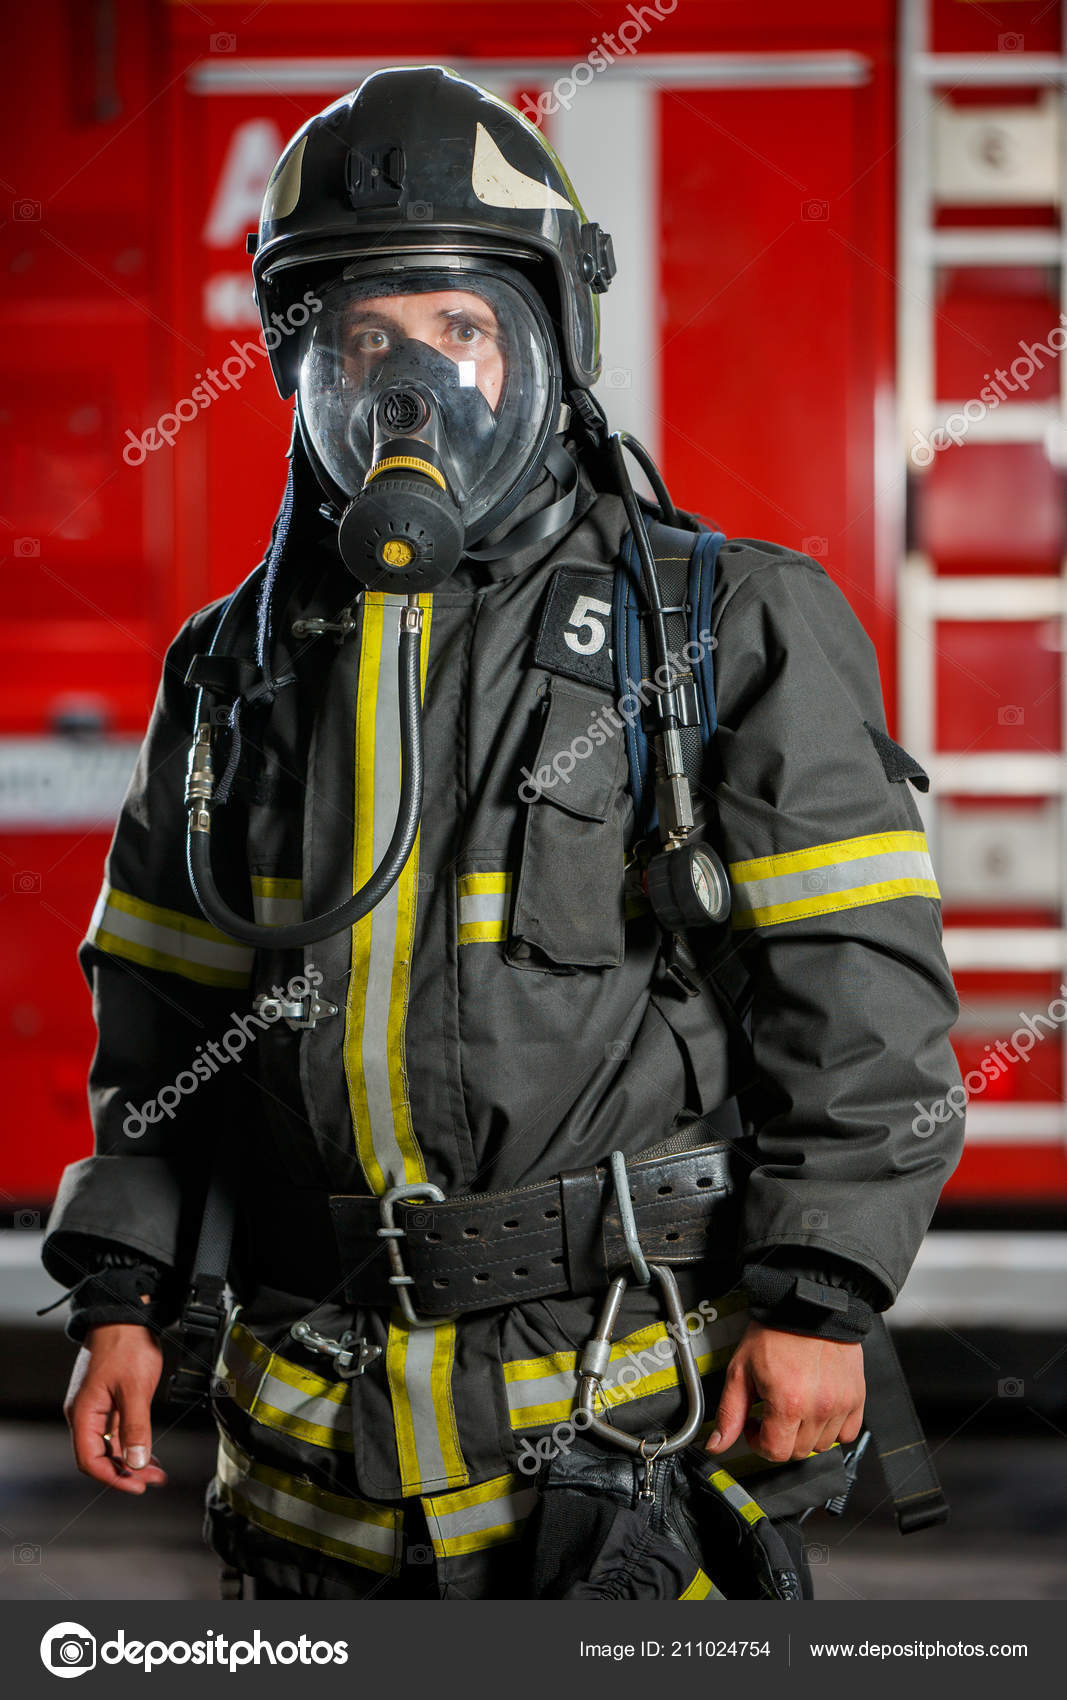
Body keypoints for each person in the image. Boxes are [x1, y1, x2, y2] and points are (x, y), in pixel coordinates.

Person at [42, 66, 964, 1602]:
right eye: (364, 341)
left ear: (547, 347)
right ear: (306, 372)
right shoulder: (234, 665)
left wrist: (817, 1293)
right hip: (312, 1469)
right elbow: (164, 1030)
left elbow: (860, 993)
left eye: (462, 330)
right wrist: (125, 1291)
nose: (415, 386)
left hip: (612, 1440)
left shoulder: (723, 622)